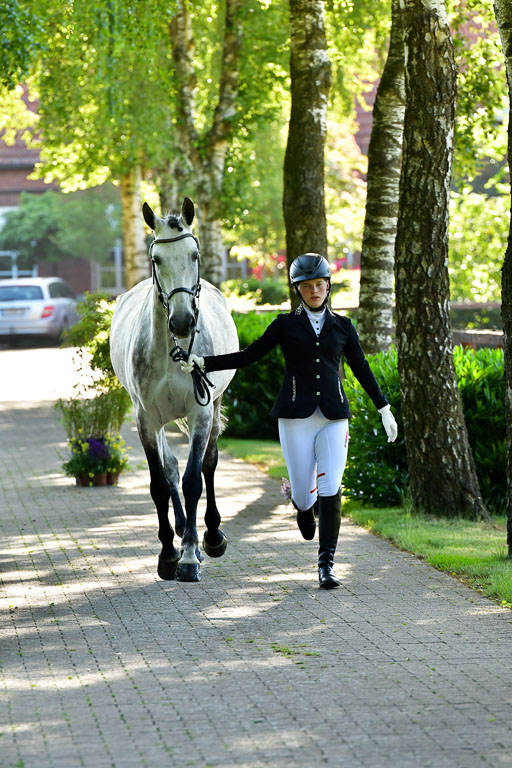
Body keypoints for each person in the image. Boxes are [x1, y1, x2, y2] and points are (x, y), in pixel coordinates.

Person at [181, 253, 398, 589]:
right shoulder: (284, 325)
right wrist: (203, 363)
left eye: (320, 284)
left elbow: (361, 368)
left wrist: (383, 407)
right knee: (304, 493)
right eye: (307, 286)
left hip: (334, 417)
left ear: (328, 285)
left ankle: (326, 565)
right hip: (294, 417)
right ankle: (301, 505)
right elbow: (248, 355)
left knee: (331, 488)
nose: (315, 291)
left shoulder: (343, 326)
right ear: (298, 289)